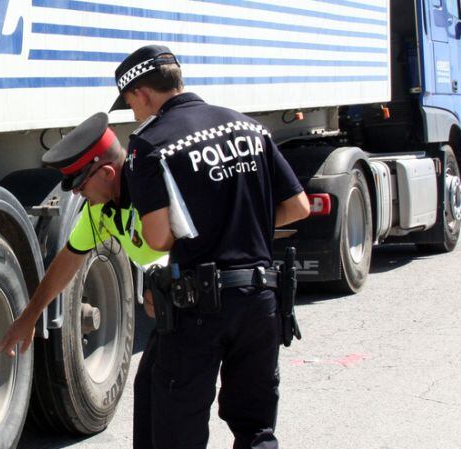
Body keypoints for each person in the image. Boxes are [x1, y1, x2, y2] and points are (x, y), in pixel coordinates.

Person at [109, 45, 311, 449]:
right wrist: (240, 226)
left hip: (201, 306)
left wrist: (205, 228)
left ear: (143, 94)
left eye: (130, 102)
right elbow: (298, 207)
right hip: (261, 298)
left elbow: (158, 238)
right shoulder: (249, 127)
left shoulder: (149, 144)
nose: (133, 113)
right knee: (256, 430)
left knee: (177, 430)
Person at [0, 111, 166, 358]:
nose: (75, 193)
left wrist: (172, 282)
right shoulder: (101, 210)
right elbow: (69, 259)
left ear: (108, 173)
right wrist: (30, 315)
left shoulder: (152, 192)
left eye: (80, 184)